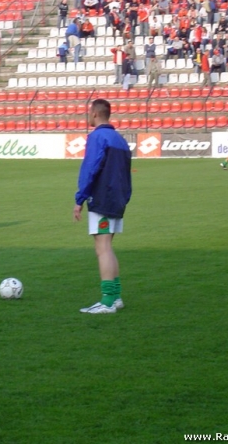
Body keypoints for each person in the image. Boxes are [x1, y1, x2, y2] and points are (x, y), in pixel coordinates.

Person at [74, 99, 132, 314]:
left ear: (95, 113)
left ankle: (107, 301)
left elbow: (90, 168)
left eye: (89, 112)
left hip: (103, 199)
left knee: (102, 248)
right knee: (108, 246)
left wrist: (80, 199)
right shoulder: (120, 139)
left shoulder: (97, 137)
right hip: (117, 199)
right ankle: (115, 297)